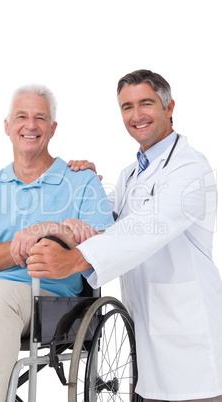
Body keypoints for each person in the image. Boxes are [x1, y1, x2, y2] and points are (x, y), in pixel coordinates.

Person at [27, 70, 222, 402]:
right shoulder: (131, 173)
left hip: (189, 341)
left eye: (146, 103)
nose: (136, 115)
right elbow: (110, 222)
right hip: (148, 338)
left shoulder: (191, 168)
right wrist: (86, 186)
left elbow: (146, 228)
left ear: (169, 106)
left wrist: (75, 260)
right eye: (126, 107)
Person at [0, 84, 113, 402]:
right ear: (7, 126)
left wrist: (50, 230)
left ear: (52, 128)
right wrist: (31, 238)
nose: (30, 125)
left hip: (49, 302)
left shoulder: (80, 181)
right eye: (22, 116)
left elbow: (106, 243)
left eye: (40, 118)